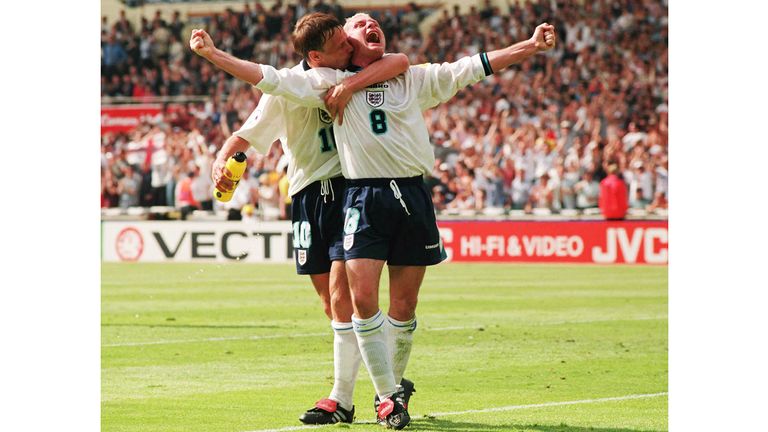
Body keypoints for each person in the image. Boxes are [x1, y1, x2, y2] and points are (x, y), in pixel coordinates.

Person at [195, 12, 555, 429]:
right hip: (345, 193)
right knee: (342, 301)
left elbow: (459, 67)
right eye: (352, 30)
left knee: (388, 303)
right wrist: (214, 55)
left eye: (370, 23)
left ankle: (379, 392)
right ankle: (366, 395)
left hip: (392, 193)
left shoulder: (401, 76)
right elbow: (268, 81)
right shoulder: (320, 83)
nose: (363, 32)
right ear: (329, 51)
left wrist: (529, 45)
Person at [190, 13, 411, 425]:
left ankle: (362, 394)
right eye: (341, 44)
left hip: (349, 189)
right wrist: (222, 158)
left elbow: (399, 61)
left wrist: (351, 80)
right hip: (308, 195)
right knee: (331, 304)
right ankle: (373, 387)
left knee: (348, 296)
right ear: (315, 54)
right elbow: (248, 133)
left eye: (350, 42)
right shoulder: (290, 86)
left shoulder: (357, 72)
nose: (349, 47)